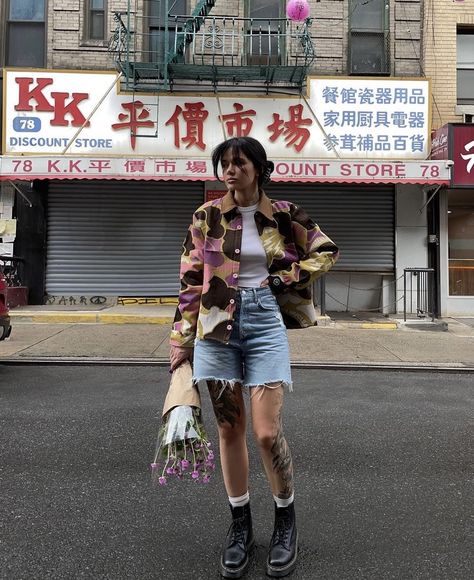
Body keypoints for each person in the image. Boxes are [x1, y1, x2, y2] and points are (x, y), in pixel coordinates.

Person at [169, 136, 339, 578]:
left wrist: (285, 280)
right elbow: (190, 279)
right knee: (230, 429)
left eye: (239, 163)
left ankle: (286, 518)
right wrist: (179, 344)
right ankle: (239, 525)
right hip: (214, 325)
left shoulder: (283, 213)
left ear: (259, 168)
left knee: (265, 433)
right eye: (223, 163)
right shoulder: (207, 216)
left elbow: (326, 250)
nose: (230, 170)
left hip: (264, 321)